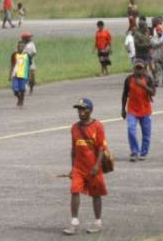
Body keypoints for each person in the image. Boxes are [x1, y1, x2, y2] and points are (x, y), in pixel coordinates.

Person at [63, 98, 108, 236]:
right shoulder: (74, 128)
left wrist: (96, 165)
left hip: (93, 167)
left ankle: (98, 223)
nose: (81, 112)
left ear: (90, 110)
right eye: (79, 109)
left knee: (96, 194)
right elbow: (73, 149)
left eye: (84, 109)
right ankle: (74, 223)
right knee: (74, 191)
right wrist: (72, 167)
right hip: (79, 167)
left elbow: (102, 147)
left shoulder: (98, 126)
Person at [121, 60, 155, 161]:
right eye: (137, 68)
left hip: (145, 110)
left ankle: (143, 153)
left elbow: (153, 92)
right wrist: (123, 109)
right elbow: (124, 95)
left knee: (146, 134)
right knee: (131, 130)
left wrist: (143, 85)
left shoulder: (148, 79)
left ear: (144, 69)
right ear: (133, 69)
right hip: (132, 110)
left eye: (140, 68)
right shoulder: (128, 79)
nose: (138, 70)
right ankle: (134, 151)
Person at [9, 41, 32, 107]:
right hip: (15, 74)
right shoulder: (14, 54)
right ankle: (19, 98)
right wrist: (10, 74)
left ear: (24, 47)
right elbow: (12, 64)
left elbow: (29, 66)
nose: (20, 48)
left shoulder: (27, 55)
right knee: (15, 89)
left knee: (22, 89)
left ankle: (21, 101)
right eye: (19, 46)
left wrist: (29, 75)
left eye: (22, 46)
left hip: (23, 74)